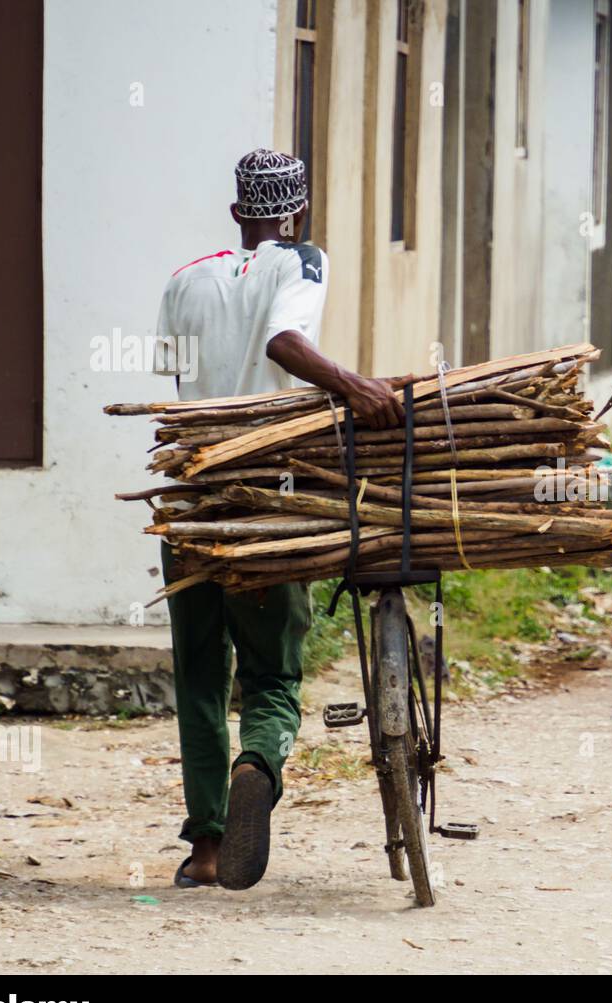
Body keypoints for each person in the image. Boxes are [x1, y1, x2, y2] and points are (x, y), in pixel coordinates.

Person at [153, 149, 403, 890]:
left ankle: (205, 845)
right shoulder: (300, 259)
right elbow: (283, 345)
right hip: (265, 500)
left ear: (237, 212)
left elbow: (179, 381)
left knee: (200, 675)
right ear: (298, 211)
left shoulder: (183, 279)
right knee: (269, 673)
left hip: (193, 497)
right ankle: (258, 764)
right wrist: (357, 388)